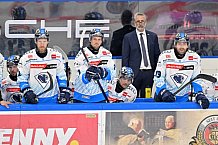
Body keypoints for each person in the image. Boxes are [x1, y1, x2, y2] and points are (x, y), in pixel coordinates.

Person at [153, 32, 210, 109]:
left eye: (184, 43)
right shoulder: (164, 56)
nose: (182, 46)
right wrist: (163, 92)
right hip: (163, 98)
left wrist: (199, 94)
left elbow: (197, 80)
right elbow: (158, 77)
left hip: (183, 99)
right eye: (179, 43)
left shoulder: (195, 58)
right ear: (175, 44)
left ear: (188, 45)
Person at [18, 28, 70, 104]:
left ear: (48, 41)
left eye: (44, 41)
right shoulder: (26, 58)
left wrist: (63, 90)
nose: (42, 44)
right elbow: (22, 78)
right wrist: (27, 91)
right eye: (39, 41)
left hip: (52, 99)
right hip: (33, 99)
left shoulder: (57, 56)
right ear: (35, 41)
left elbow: (61, 76)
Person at [122, 12, 161, 98]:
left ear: (146, 22)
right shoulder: (128, 37)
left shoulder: (153, 36)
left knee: (147, 98)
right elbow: (125, 57)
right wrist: (126, 76)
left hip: (149, 74)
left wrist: (157, 72)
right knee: (131, 97)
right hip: (134, 74)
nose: (140, 23)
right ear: (134, 23)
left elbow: (157, 55)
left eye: (142, 21)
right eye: (138, 21)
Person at [74, 28, 116, 103]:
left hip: (100, 95)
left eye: (99, 39)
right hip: (82, 95)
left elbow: (112, 74)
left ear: (102, 40)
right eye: (94, 39)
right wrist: (87, 75)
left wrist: (104, 73)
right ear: (90, 40)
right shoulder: (82, 54)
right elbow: (79, 74)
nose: (97, 41)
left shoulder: (107, 54)